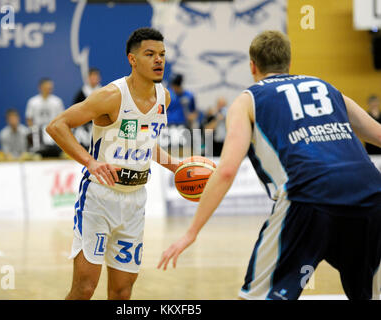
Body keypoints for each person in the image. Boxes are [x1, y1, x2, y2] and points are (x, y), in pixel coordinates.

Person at [158, 30, 381, 300]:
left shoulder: (248, 99)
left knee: (258, 297)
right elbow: (378, 135)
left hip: (307, 195)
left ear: (252, 66)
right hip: (371, 194)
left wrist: (191, 233)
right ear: (289, 62)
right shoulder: (327, 89)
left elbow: (227, 170)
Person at [46, 27, 178, 300]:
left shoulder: (163, 97)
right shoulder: (111, 95)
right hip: (99, 198)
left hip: (135, 201)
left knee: (122, 291)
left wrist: (174, 165)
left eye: (162, 54)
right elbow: (57, 126)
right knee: (84, 289)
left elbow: (143, 142)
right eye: (150, 54)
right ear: (132, 59)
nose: (159, 60)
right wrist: (90, 162)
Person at [26, 78, 64, 158]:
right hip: (38, 132)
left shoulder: (57, 101)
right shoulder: (33, 102)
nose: (48, 90)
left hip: (53, 130)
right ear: (40, 88)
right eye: (46, 87)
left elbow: (61, 118)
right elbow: (29, 118)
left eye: (50, 88)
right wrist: (33, 130)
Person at [72, 68, 103, 151]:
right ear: (88, 78)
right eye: (92, 77)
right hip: (84, 126)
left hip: (100, 124)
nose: (94, 79)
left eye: (96, 77)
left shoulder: (104, 92)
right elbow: (75, 110)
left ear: (99, 78)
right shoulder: (81, 93)